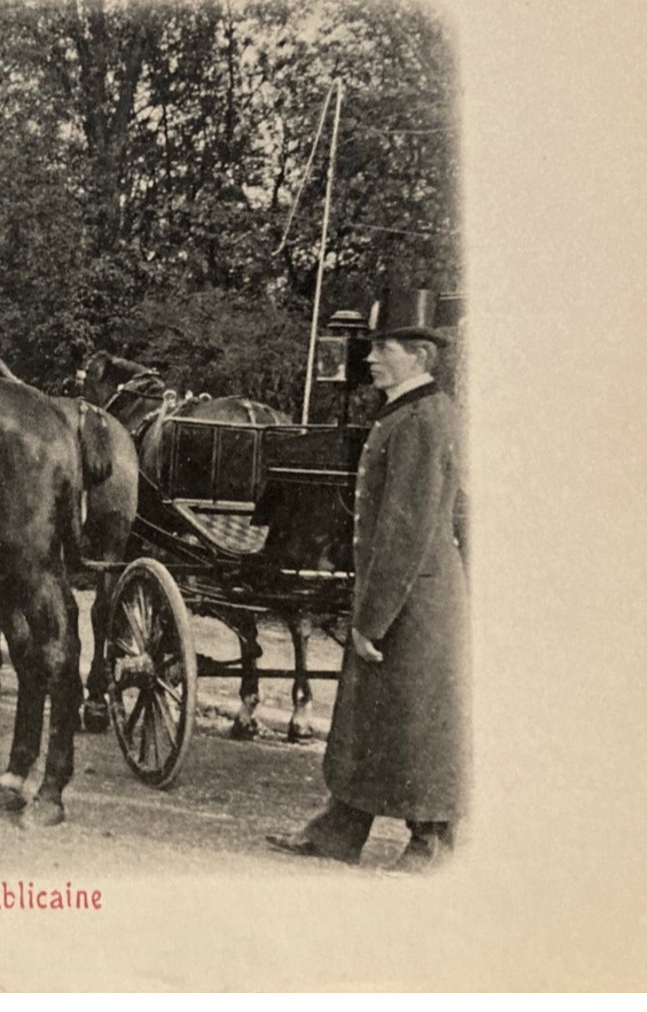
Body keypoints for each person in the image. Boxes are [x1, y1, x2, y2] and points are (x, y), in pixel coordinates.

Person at [267, 288, 469, 873]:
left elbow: (405, 532)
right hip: (402, 593)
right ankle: (343, 824)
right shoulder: (407, 412)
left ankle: (432, 839)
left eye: (384, 348)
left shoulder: (422, 420)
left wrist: (370, 618)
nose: (372, 358)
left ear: (421, 358)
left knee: (419, 717)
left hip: (416, 599)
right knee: (372, 711)